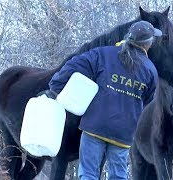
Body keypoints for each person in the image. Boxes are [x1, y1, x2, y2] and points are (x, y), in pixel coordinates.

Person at [40, 20, 161, 179]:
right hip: (123, 133)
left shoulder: (103, 54)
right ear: (148, 44)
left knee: (88, 174)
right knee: (118, 175)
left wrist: (55, 87)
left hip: (94, 127)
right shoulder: (151, 70)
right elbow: (147, 100)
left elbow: (73, 64)